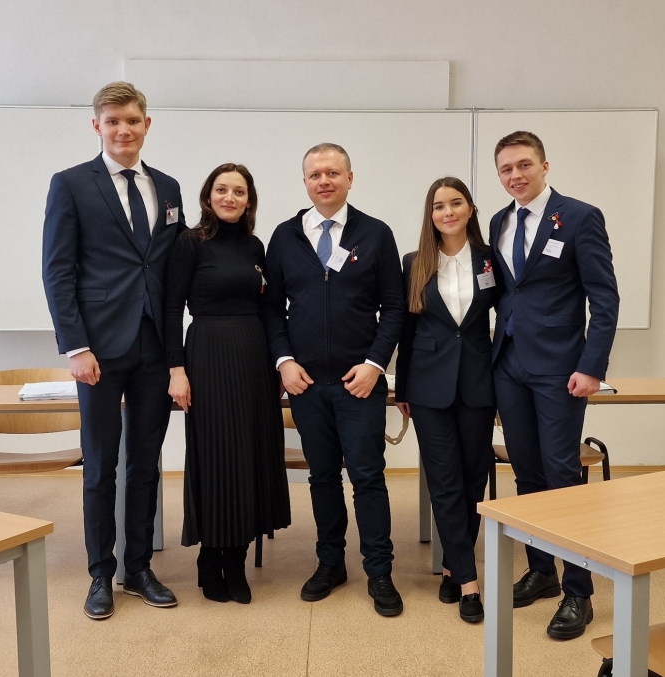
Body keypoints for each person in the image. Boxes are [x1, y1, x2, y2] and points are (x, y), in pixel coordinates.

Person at [42, 81, 186, 620]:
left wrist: (176, 358)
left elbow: (168, 273)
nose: (123, 130)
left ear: (147, 125)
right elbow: (58, 271)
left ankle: (139, 568)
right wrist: (75, 346)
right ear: (97, 126)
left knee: (145, 464)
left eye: (132, 120)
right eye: (113, 121)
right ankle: (100, 573)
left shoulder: (168, 188)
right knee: (101, 466)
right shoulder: (71, 184)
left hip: (153, 345)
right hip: (98, 350)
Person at [259, 143, 406, 617]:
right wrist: (284, 361)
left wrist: (375, 364)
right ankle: (330, 564)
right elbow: (271, 309)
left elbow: (395, 308)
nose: (324, 181)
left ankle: (379, 571)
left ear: (349, 178)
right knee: (322, 477)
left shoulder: (375, 234)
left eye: (333, 173)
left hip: (359, 383)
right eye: (315, 174)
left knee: (367, 477)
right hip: (306, 385)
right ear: (304, 181)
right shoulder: (285, 236)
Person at [487, 131, 618, 640]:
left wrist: (592, 366)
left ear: (544, 166)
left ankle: (578, 591)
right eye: (505, 169)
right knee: (526, 473)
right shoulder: (500, 221)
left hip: (561, 368)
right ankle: (541, 570)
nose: (515, 175)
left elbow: (604, 298)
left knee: (562, 474)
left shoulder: (580, 217)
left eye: (523, 165)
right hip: (509, 364)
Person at [164, 164, 291, 604]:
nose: (230, 198)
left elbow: (271, 307)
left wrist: (278, 364)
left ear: (249, 199)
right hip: (207, 356)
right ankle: (209, 556)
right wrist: (176, 370)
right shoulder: (189, 242)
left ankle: (236, 561)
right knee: (216, 457)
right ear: (208, 196)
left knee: (250, 456)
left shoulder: (256, 245)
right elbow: (170, 310)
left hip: (253, 358)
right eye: (222, 190)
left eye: (239, 191)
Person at [394, 177, 498, 624]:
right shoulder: (414, 262)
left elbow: (507, 319)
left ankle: (455, 567)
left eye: (456, 203)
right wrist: (401, 388)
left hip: (478, 382)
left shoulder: (491, 259)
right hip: (427, 385)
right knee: (445, 480)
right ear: (430, 214)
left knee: (474, 478)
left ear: (470, 209)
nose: (448, 212)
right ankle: (470, 583)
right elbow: (405, 328)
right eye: (439, 206)